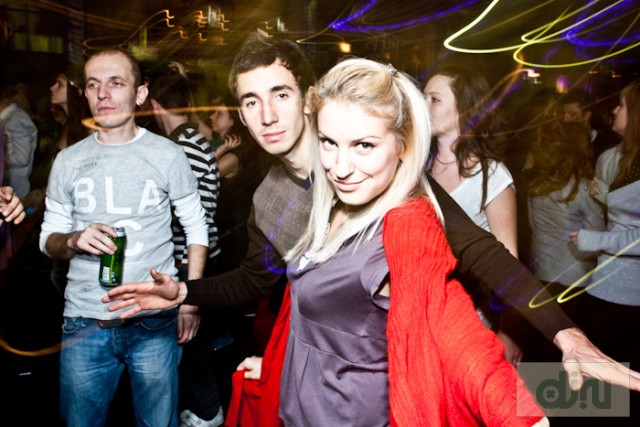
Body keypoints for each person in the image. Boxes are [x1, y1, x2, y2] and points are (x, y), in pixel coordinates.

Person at [102, 33, 640, 396]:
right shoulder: (268, 197)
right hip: (343, 378)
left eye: (280, 94)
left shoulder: (370, 166)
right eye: (250, 101)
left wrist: (566, 335)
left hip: (418, 361)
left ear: (308, 97)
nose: (267, 115)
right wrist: (184, 291)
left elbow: (479, 249)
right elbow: (256, 278)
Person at [39, 49, 209, 427]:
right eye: (93, 85)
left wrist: (191, 302)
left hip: (154, 321)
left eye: (116, 83)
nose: (103, 94)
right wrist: (73, 240)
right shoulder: (68, 160)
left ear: (140, 93)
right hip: (85, 321)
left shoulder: (168, 154)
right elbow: (48, 238)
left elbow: (196, 228)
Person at [423, 65, 520, 360]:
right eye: (422, 97)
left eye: (434, 99)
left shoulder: (491, 176)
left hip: (470, 322)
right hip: (423, 317)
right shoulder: (419, 168)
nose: (423, 105)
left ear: (463, 109)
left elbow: (509, 265)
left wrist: (509, 333)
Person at [148, 62, 224, 427]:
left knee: (189, 343)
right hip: (196, 258)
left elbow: (193, 216)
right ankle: (204, 409)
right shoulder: (191, 140)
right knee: (192, 344)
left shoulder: (180, 148)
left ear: (154, 105)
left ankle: (208, 413)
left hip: (188, 259)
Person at [571, 79, 640, 425]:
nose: (614, 110)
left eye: (623, 104)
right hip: (602, 284)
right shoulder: (613, 156)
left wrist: (594, 240)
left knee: (619, 394)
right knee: (587, 390)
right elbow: (612, 207)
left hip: (631, 296)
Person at [527, 121, 604, 311]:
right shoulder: (584, 189)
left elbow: (533, 227)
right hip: (575, 277)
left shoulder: (535, 187)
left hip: (542, 272)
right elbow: (597, 240)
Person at [560, 88, 621, 164]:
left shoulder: (606, 145)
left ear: (587, 115)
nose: (565, 120)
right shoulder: (560, 143)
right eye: (563, 114)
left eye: (572, 114)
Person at [0, 83, 38, 198]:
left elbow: (22, 158)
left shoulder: (15, 119)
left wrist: (2, 159)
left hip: (17, 192)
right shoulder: (8, 118)